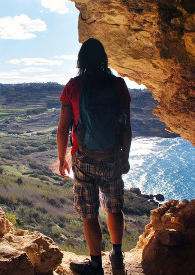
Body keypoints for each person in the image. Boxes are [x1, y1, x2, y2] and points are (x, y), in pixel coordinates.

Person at [57, 38, 131, 275]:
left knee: (89, 213)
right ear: (104, 59)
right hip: (112, 157)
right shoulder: (118, 85)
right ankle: (117, 258)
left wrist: (62, 158)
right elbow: (127, 126)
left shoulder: (73, 86)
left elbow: (62, 128)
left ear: (81, 60)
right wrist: (125, 157)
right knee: (113, 207)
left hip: (84, 159)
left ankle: (96, 265)